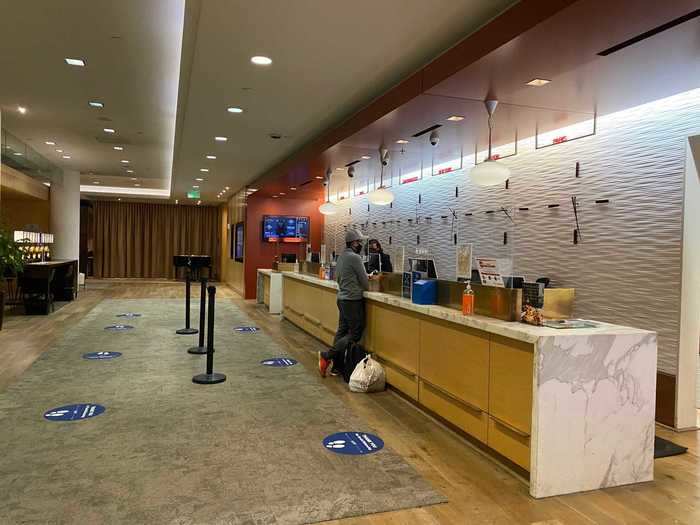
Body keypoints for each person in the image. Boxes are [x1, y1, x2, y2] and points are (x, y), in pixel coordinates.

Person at [318, 229, 371, 377]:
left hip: (341, 299)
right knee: (354, 333)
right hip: (352, 300)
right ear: (354, 243)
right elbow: (365, 283)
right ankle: (327, 356)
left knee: (341, 332)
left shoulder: (341, 257)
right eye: (360, 242)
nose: (361, 244)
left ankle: (337, 366)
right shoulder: (355, 258)